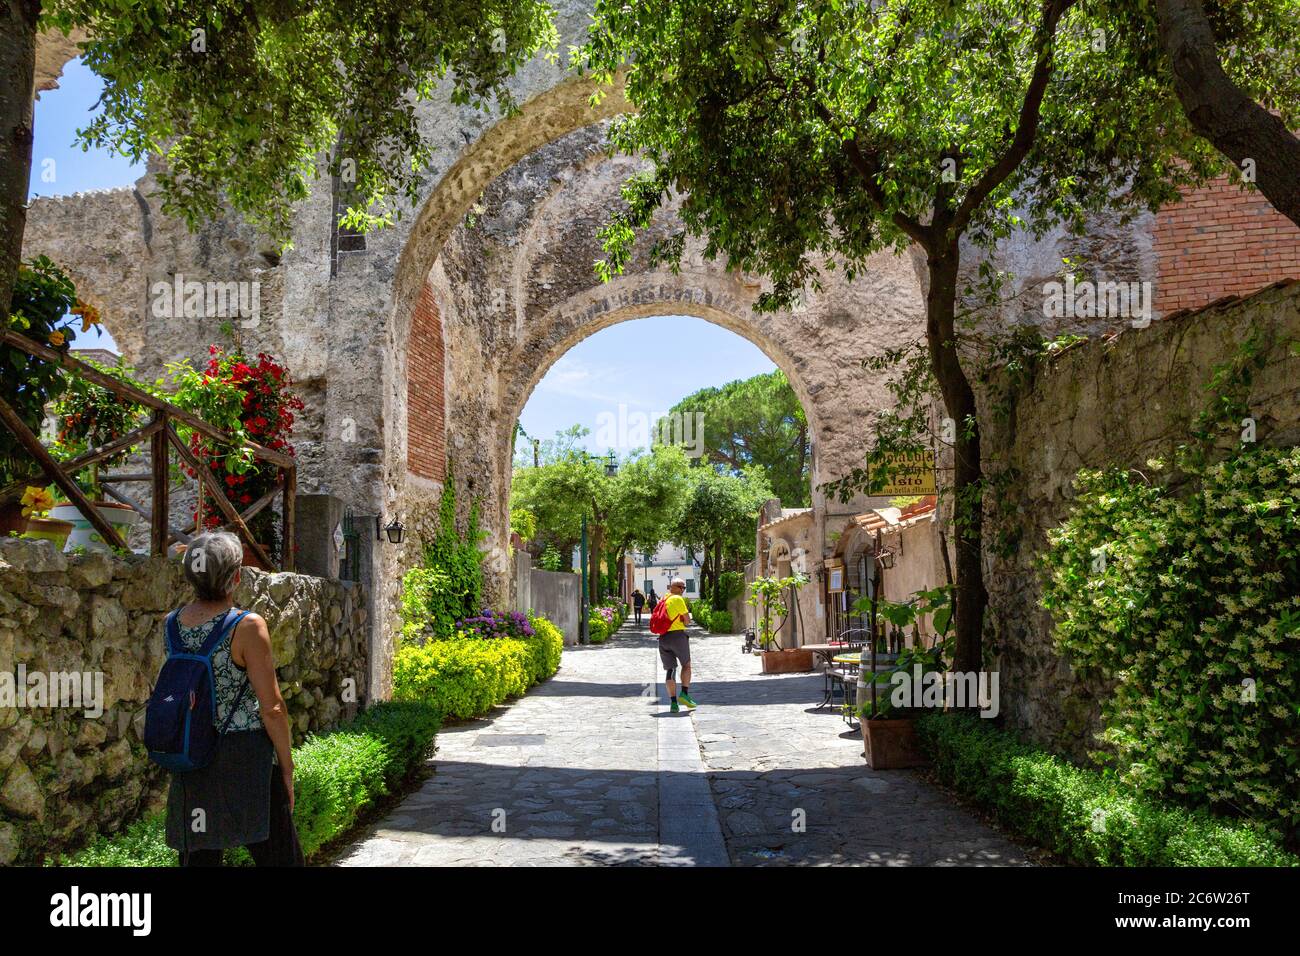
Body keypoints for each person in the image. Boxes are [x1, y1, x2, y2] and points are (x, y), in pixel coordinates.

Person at [164, 531, 304, 866]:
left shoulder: (172, 624)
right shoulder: (247, 626)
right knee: (280, 857)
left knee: (200, 858)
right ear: (236, 577)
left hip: (193, 753)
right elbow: (271, 707)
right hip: (245, 756)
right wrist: (287, 767)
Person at [659, 577, 697, 713]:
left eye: (683, 588)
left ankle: (673, 703)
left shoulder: (663, 599)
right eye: (681, 587)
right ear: (673, 587)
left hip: (663, 638)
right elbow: (687, 621)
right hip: (677, 636)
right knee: (686, 665)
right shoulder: (678, 599)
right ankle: (684, 694)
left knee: (670, 670)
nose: (683, 590)